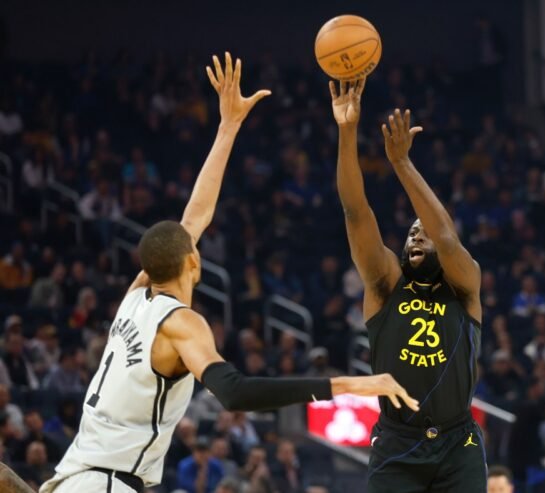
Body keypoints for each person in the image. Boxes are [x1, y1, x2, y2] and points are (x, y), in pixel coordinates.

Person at [40, 53, 418, 493]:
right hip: (106, 485)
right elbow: (236, 392)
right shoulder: (180, 323)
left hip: (75, 477)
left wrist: (228, 125)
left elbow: (194, 217)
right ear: (194, 262)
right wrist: (353, 383)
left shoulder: (135, 296)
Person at [330, 78, 485, 493]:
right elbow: (355, 211)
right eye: (411, 232)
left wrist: (401, 163)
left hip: (458, 442)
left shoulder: (465, 285)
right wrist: (347, 131)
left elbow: (446, 237)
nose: (417, 236)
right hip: (397, 441)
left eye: (424, 232)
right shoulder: (384, 283)